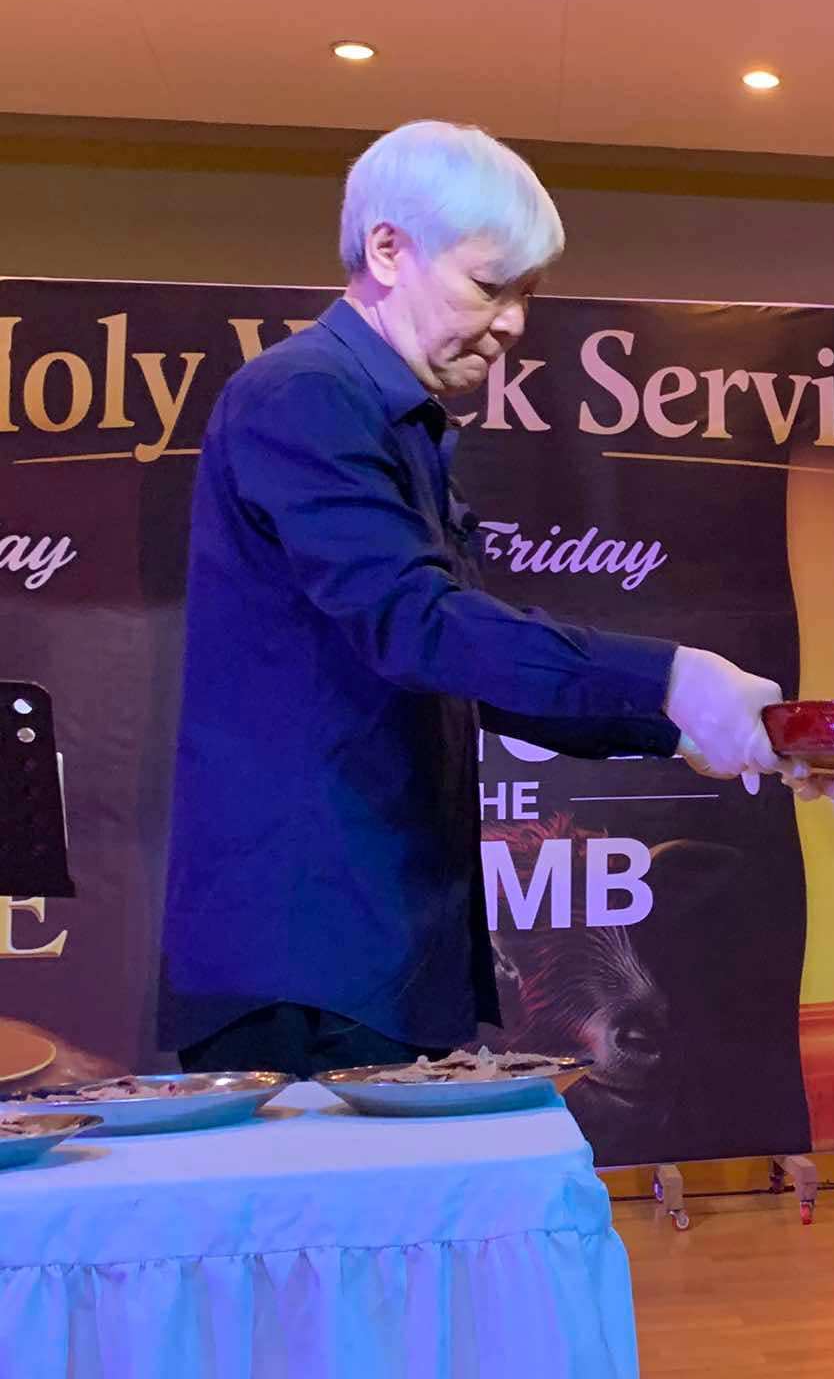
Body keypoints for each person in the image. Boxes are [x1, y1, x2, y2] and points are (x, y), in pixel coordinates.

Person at [160, 121, 781, 1080]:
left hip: (379, 947)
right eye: (491, 287)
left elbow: (456, 670)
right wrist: (671, 676)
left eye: (527, 295)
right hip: (308, 956)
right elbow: (420, 629)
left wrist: (680, 725)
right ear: (386, 250)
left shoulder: (388, 419)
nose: (514, 324)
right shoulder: (305, 396)